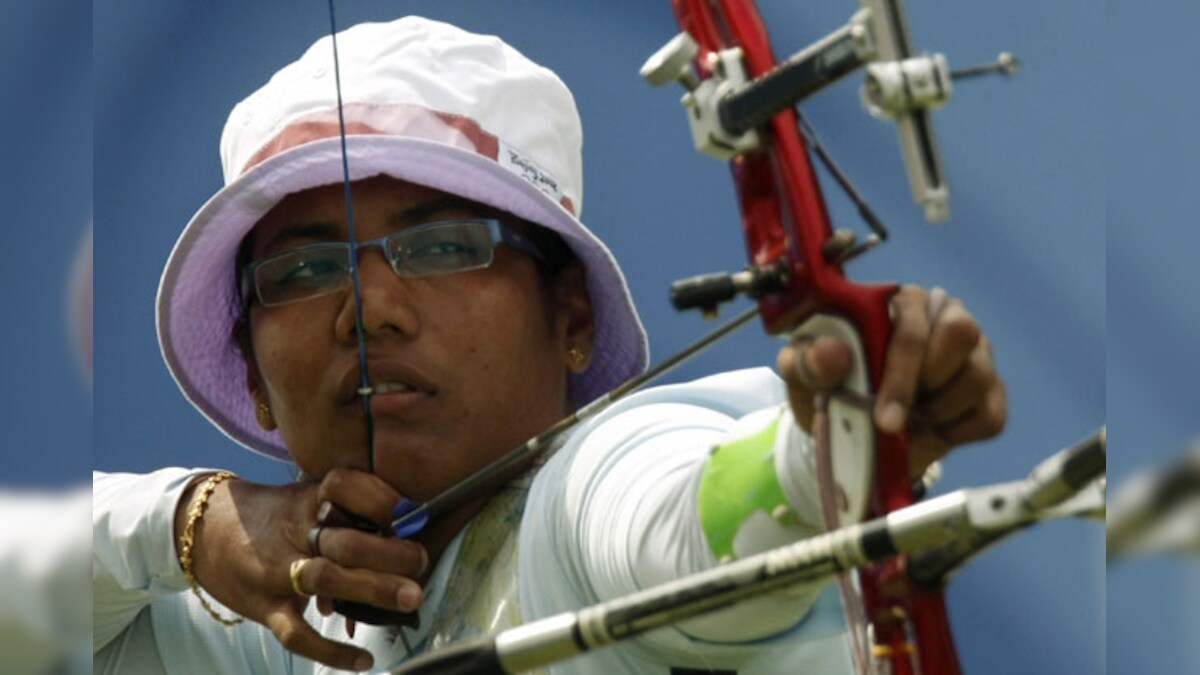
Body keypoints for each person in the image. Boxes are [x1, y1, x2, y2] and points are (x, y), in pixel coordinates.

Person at [93, 16, 1005, 674]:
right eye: (303, 272)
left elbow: (672, 521)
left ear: (569, 316)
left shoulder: (585, 500)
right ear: (251, 371)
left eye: (444, 247)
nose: (370, 309)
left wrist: (821, 460)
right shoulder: (284, 632)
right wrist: (189, 523)